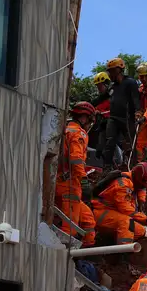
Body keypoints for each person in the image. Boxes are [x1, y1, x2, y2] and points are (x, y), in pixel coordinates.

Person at [56, 102, 97, 246]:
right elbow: (76, 160)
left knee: (88, 221)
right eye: (89, 121)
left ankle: (84, 255)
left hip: (59, 182)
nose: (89, 125)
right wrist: (85, 182)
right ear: (84, 118)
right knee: (70, 229)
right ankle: (63, 258)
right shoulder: (79, 133)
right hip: (70, 185)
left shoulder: (64, 129)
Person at [91, 162, 147, 246]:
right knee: (127, 222)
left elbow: (142, 189)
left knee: (141, 231)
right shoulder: (123, 185)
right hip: (102, 213)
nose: (143, 186)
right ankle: (123, 249)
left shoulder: (133, 180)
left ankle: (111, 238)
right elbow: (125, 209)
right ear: (138, 179)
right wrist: (145, 219)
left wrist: (142, 201)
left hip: (114, 213)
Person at [102, 57, 139, 167]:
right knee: (109, 142)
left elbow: (136, 98)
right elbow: (102, 98)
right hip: (114, 118)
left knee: (131, 143)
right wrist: (88, 104)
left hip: (128, 119)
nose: (110, 74)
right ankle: (107, 167)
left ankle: (133, 166)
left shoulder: (130, 83)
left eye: (111, 71)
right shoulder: (113, 87)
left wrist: (138, 111)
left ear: (118, 70)